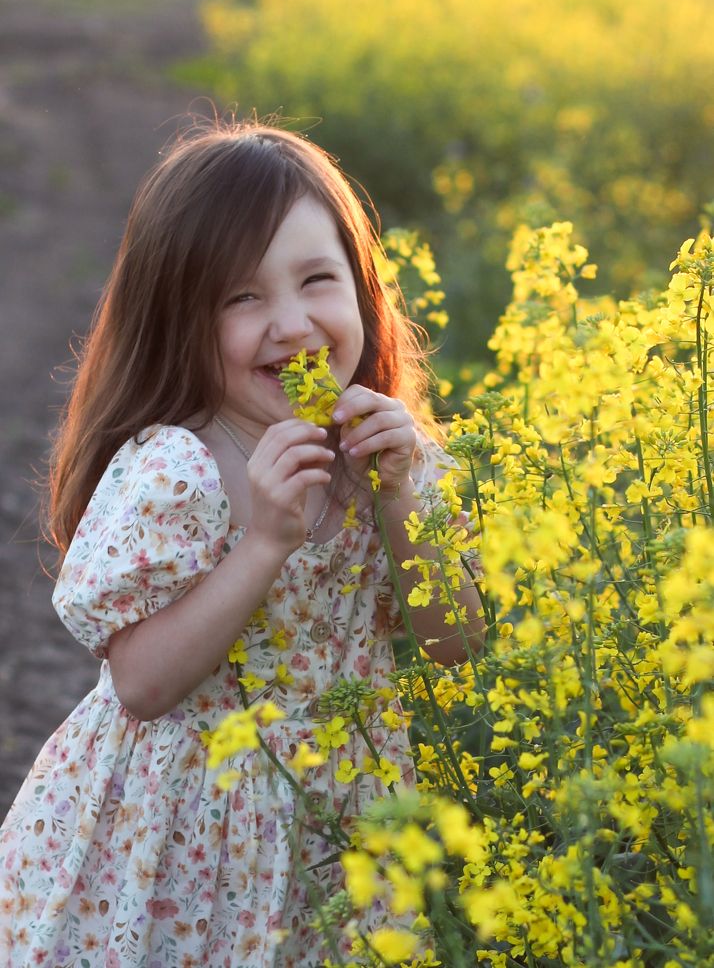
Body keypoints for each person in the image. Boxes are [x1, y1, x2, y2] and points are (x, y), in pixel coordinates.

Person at [0, 121, 484, 967]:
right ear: (177, 318)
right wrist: (262, 543)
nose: (292, 325)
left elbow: (456, 642)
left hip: (343, 815)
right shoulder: (179, 467)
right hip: (184, 832)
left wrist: (403, 495)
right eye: (240, 297)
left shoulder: (386, 460)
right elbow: (142, 685)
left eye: (316, 281)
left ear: (363, 291)